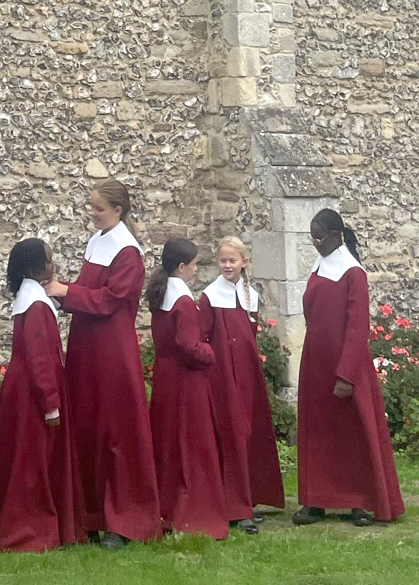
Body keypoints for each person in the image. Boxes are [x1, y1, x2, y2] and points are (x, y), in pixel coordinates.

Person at [45, 179, 160, 547]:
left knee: (116, 433)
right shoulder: (97, 242)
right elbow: (87, 290)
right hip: (87, 346)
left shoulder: (128, 252)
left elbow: (112, 300)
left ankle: (123, 520)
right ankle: (93, 514)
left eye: (98, 208)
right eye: (90, 206)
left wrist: (66, 291)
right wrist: (56, 290)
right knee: (91, 428)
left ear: (118, 210)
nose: (92, 213)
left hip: (112, 350)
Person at [292, 208, 405, 528]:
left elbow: (357, 328)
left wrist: (346, 373)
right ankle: (316, 500)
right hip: (316, 362)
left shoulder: (353, 273)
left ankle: (360, 501)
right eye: (311, 236)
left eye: (319, 236)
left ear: (335, 235)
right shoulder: (320, 266)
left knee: (353, 434)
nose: (315, 242)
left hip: (345, 365)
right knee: (318, 433)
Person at [0, 239, 85, 553]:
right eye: (49, 260)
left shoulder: (30, 299)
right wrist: (50, 402)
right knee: (32, 461)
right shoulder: (35, 305)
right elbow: (40, 358)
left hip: (22, 389)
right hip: (32, 394)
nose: (54, 265)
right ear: (36, 266)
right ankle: (28, 529)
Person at [201, 236, 285, 533]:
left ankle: (248, 499)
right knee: (232, 431)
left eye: (232, 260)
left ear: (244, 262)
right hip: (223, 376)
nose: (227, 265)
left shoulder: (251, 295)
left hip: (247, 375)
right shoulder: (210, 296)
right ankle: (233, 505)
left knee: (249, 430)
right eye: (223, 260)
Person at [146, 237, 228, 541]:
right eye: (193, 264)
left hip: (166, 375)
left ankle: (166, 507)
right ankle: (193, 511)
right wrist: (211, 352)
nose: (195, 270)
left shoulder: (161, 295)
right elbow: (188, 344)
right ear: (181, 267)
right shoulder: (182, 302)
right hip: (186, 379)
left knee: (168, 442)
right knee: (192, 444)